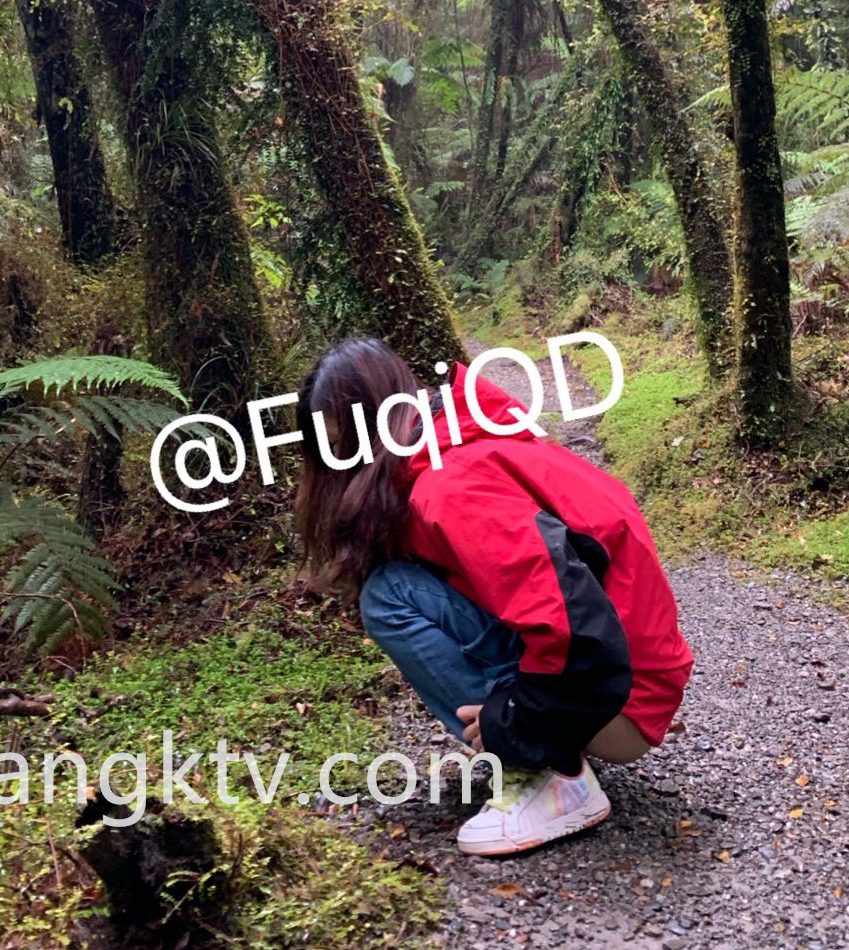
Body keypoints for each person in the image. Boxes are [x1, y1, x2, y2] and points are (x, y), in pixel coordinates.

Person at [295, 335, 694, 857]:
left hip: (618, 697)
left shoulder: (450, 482)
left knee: (389, 597)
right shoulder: (456, 445)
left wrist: (515, 723)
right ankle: (547, 747)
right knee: (400, 582)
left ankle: (551, 778)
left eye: (341, 445)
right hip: (617, 680)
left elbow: (576, 626)